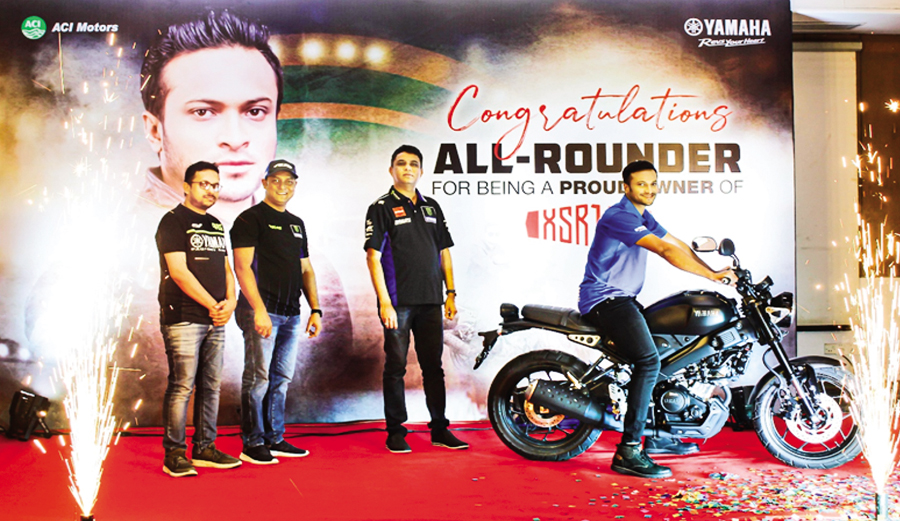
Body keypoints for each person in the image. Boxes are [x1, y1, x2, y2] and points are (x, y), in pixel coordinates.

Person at [578, 160, 735, 479]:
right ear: (626, 187)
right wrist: (712, 276)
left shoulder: (643, 216)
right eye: (641, 184)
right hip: (605, 300)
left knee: (668, 355)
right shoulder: (619, 216)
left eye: (653, 183)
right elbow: (664, 250)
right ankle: (628, 450)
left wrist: (714, 270)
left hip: (623, 299)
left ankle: (659, 435)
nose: (649, 189)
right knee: (649, 361)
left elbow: (677, 243)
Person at [364, 145, 469, 454]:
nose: (407, 168)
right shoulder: (381, 207)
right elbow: (373, 257)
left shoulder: (432, 207)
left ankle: (440, 430)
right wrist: (384, 302)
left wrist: (450, 293)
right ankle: (396, 432)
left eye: (413, 164)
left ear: (421, 171)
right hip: (397, 304)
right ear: (391, 170)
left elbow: (444, 252)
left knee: (433, 367)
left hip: (431, 302)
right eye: (401, 163)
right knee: (395, 367)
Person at [140, 9, 282, 222]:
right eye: (203, 112)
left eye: (255, 112)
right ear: (154, 132)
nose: (235, 139)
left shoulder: (298, 236)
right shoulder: (121, 235)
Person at [231, 159, 323, 465]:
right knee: (258, 379)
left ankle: (275, 438)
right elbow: (242, 267)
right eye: (276, 180)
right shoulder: (250, 219)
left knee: (281, 377)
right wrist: (258, 309)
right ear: (265, 183)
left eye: (289, 181)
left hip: (291, 313)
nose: (283, 186)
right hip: (261, 311)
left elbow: (306, 269)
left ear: (294, 185)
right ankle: (252, 443)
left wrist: (316, 309)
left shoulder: (297, 224)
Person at [156, 161, 241, 477]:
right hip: (184, 317)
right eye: (204, 184)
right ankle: (175, 454)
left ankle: (205, 447)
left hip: (215, 318)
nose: (211, 190)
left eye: (215, 185)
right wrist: (213, 305)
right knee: (182, 386)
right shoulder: (172, 221)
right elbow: (179, 272)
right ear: (187, 187)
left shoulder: (216, 224)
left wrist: (231, 302)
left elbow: (226, 268)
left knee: (210, 386)